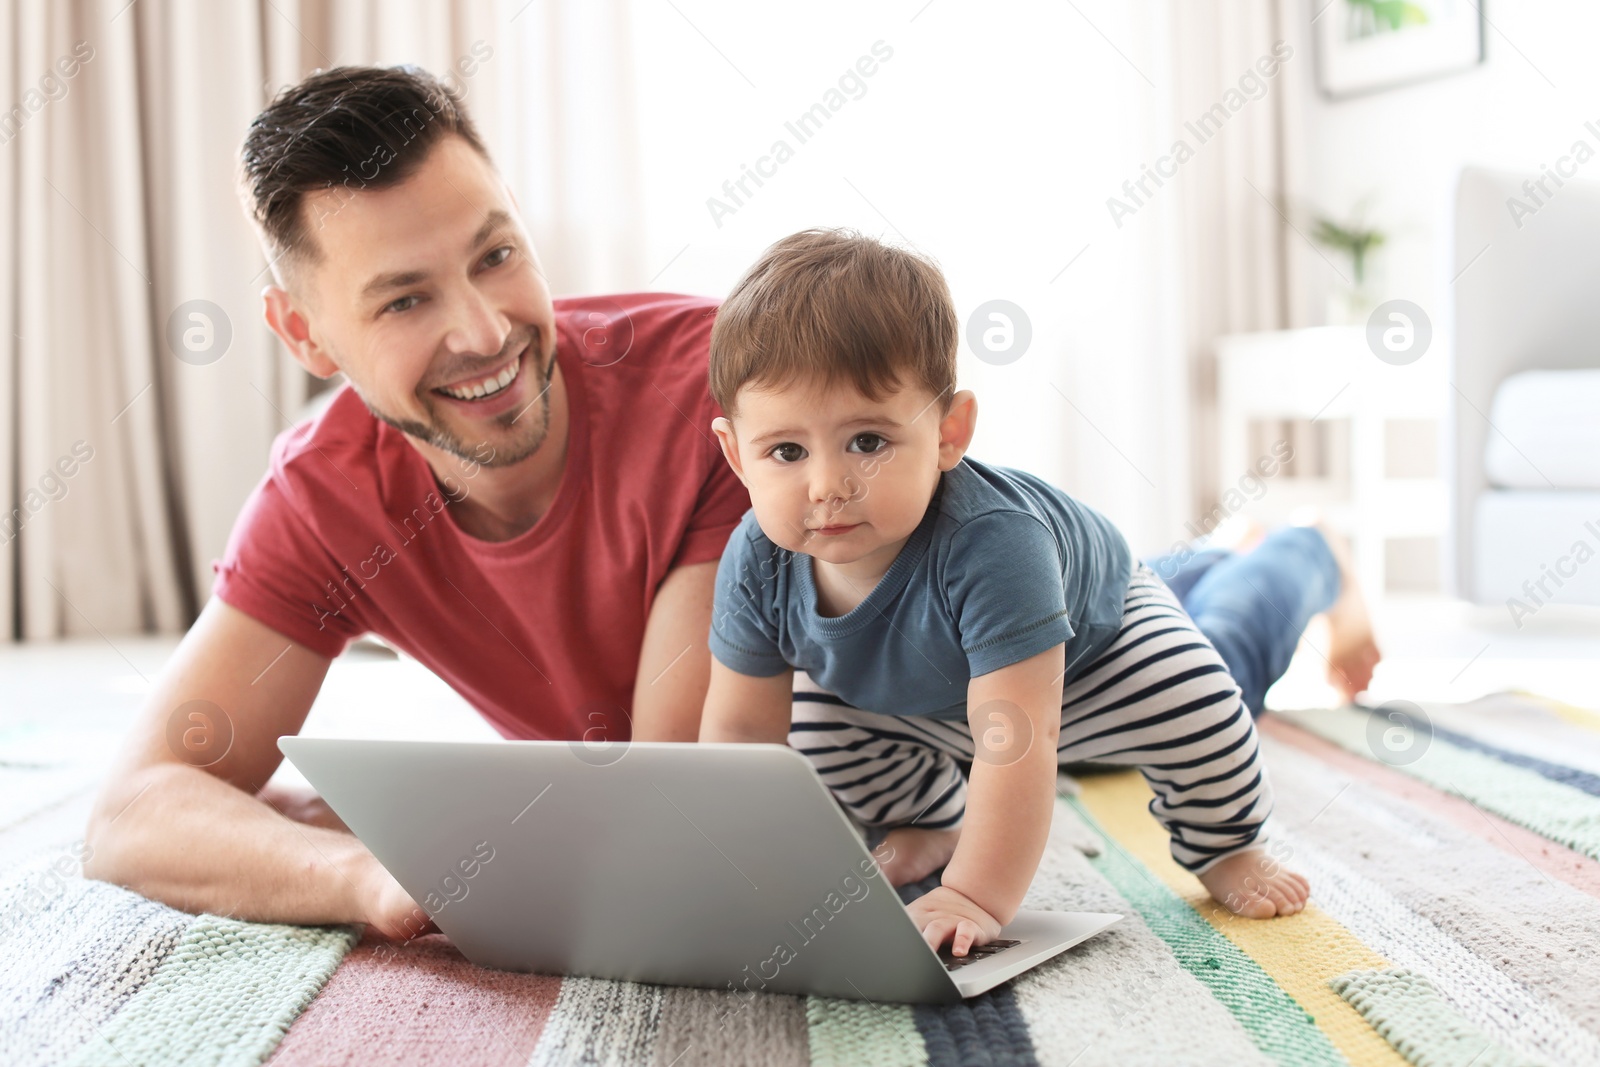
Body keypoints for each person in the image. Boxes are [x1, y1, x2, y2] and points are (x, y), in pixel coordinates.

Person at [82, 64, 1371, 946]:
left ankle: (1304, 551)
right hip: (916, 699)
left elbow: (679, 785)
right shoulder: (323, 491)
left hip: (999, 648)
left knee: (1202, 665)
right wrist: (363, 870)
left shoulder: (719, 397)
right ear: (302, 330)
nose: (486, 331)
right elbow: (137, 809)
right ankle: (1233, 555)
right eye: (405, 297)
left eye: (496, 252)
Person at [698, 229, 1311, 958]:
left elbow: (1017, 736)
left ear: (949, 432)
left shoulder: (993, 543)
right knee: (816, 726)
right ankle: (927, 819)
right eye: (787, 452)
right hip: (929, 693)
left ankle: (1227, 843)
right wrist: (731, 874)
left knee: (1196, 700)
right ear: (737, 454)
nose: (828, 484)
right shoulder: (756, 560)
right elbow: (739, 738)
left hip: (1092, 644)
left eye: (868, 440)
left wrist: (974, 894)